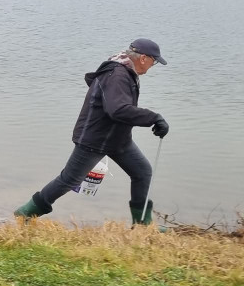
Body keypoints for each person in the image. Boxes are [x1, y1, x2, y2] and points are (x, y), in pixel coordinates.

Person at [14, 39, 168, 225]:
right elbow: (117, 109)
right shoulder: (117, 75)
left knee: (142, 172)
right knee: (68, 180)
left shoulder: (126, 72)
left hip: (118, 140)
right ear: (144, 58)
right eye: (155, 61)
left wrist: (151, 119)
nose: (154, 65)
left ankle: (143, 225)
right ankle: (26, 212)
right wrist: (153, 117)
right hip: (95, 139)